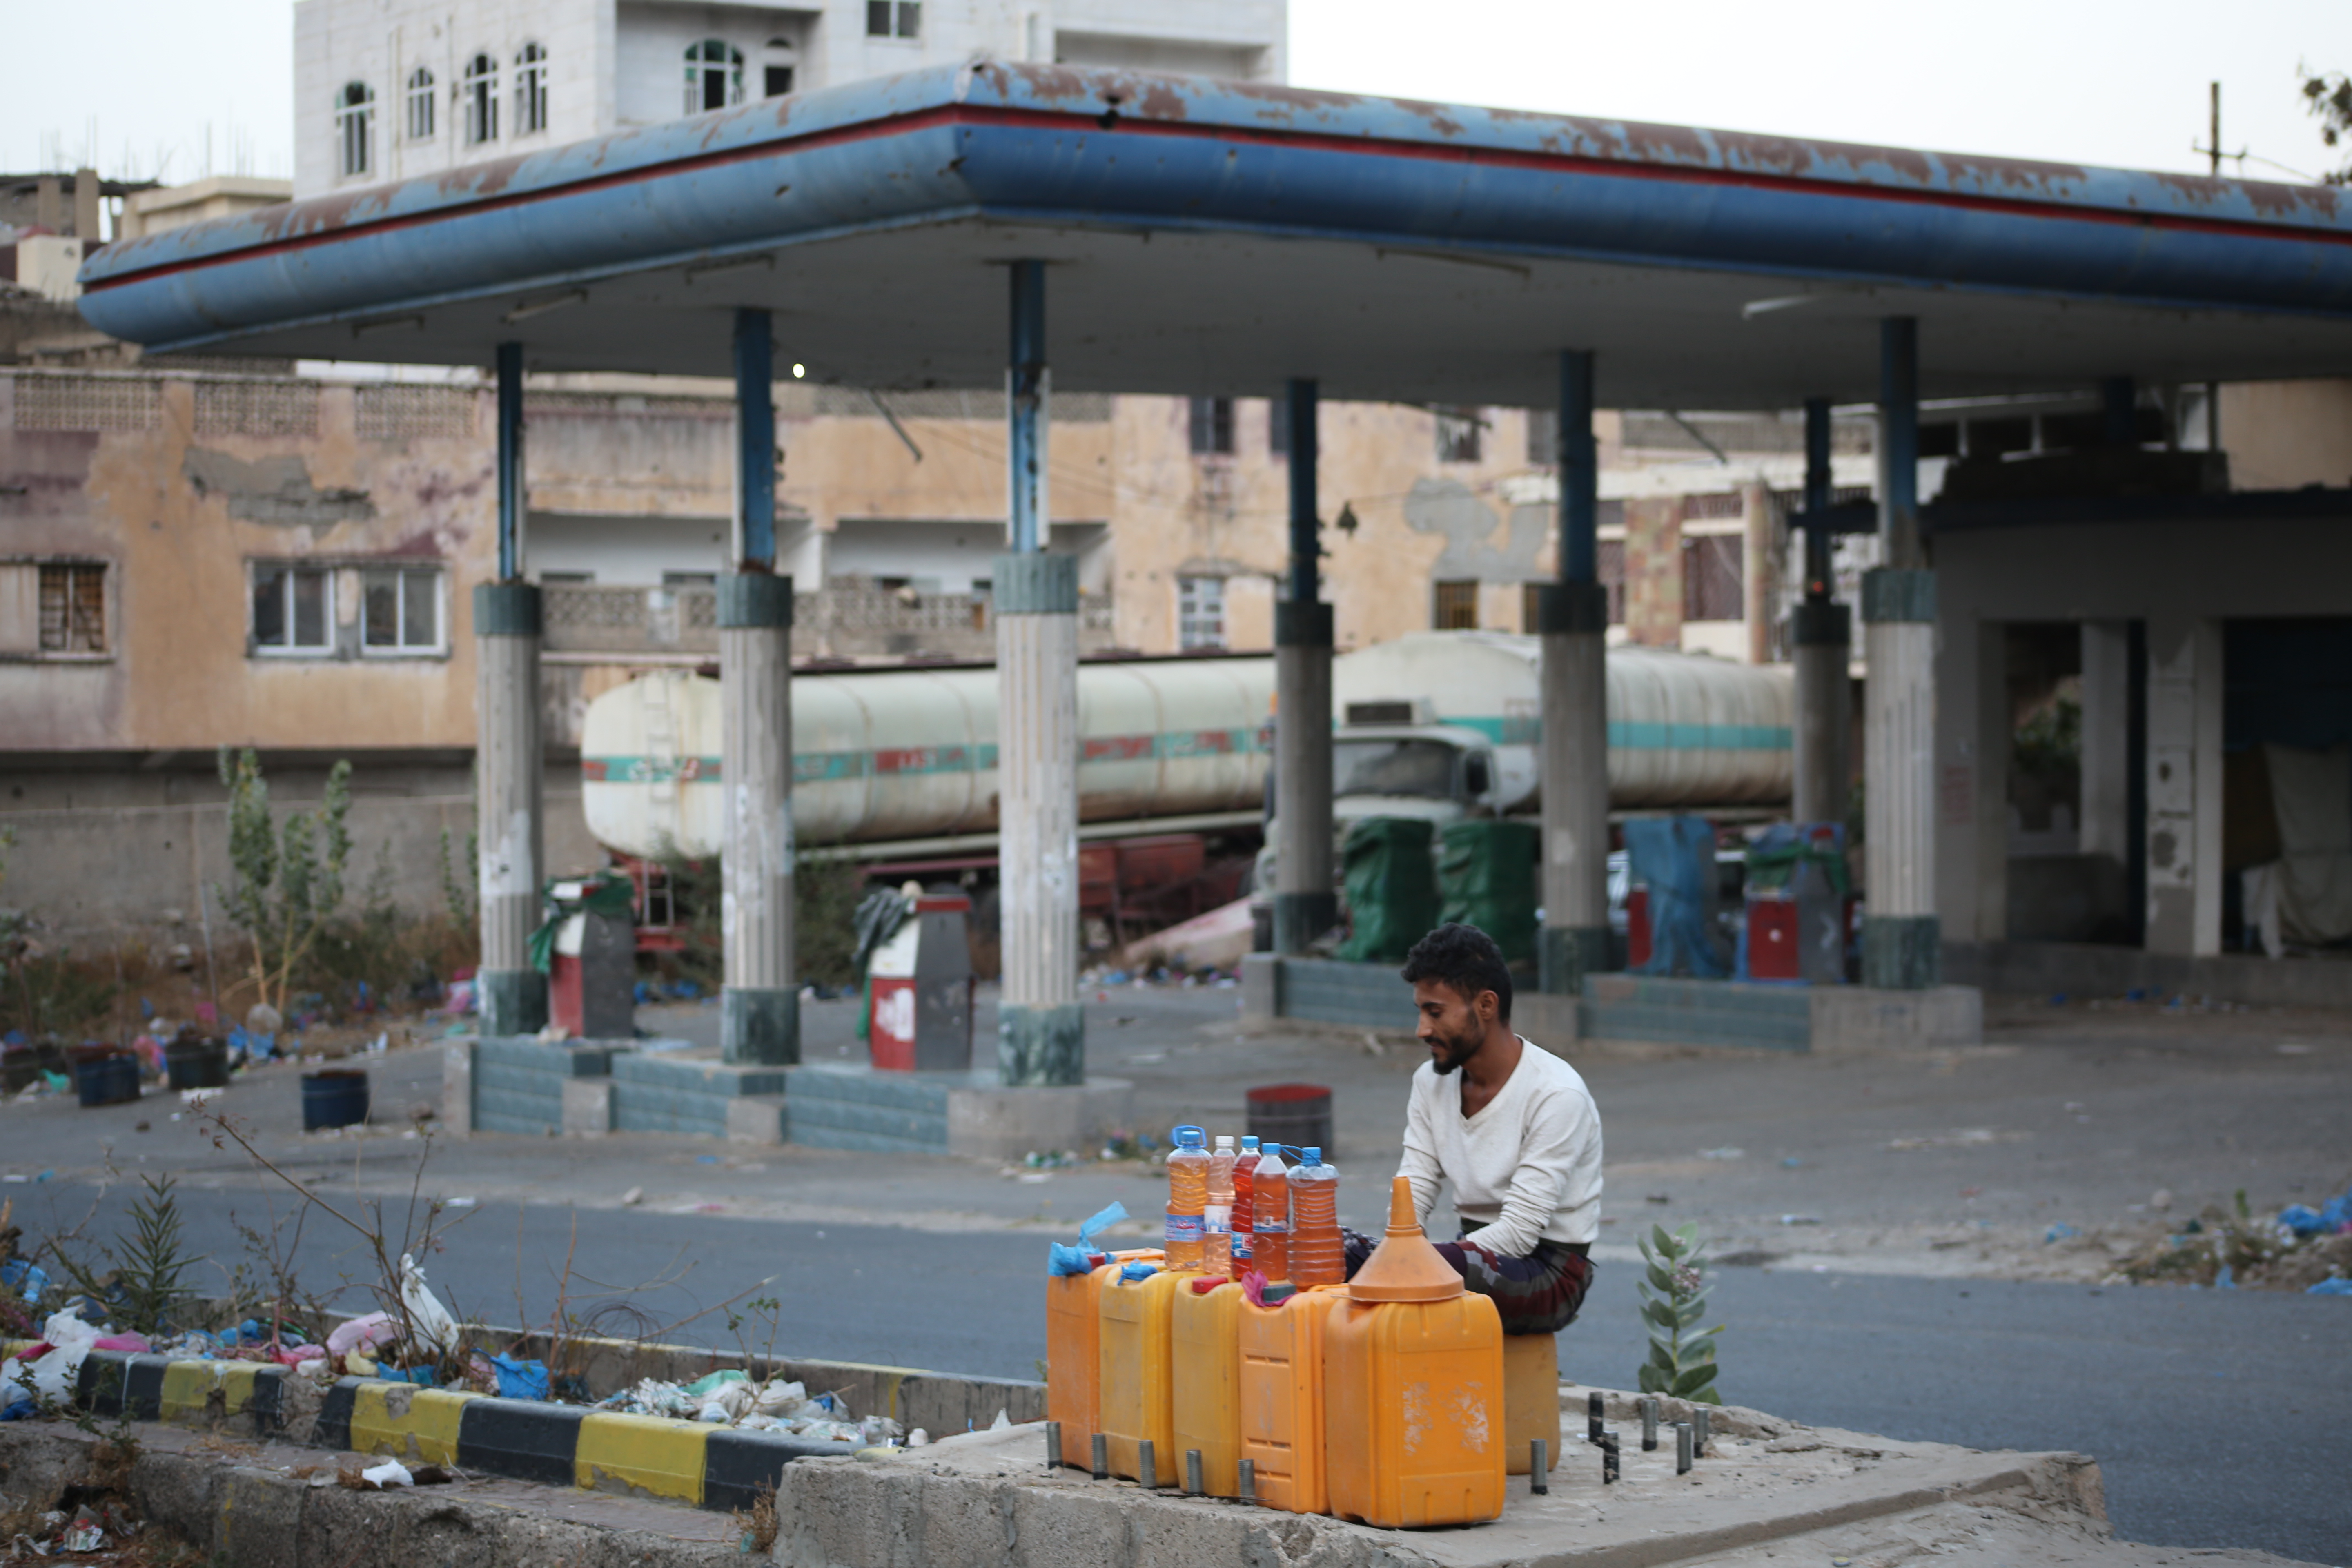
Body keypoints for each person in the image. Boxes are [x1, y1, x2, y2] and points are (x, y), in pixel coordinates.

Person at [1344, 922, 1601, 1335]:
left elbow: (1519, 1234)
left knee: (1443, 1268)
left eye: (1436, 1012)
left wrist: (1414, 1262)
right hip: (1468, 1255)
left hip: (1548, 1272)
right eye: (1421, 1012)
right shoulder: (1430, 1082)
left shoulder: (1556, 1093)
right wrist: (1396, 1251)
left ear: (1486, 1005)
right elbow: (1414, 1186)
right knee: (1335, 1250)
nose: (1422, 1031)